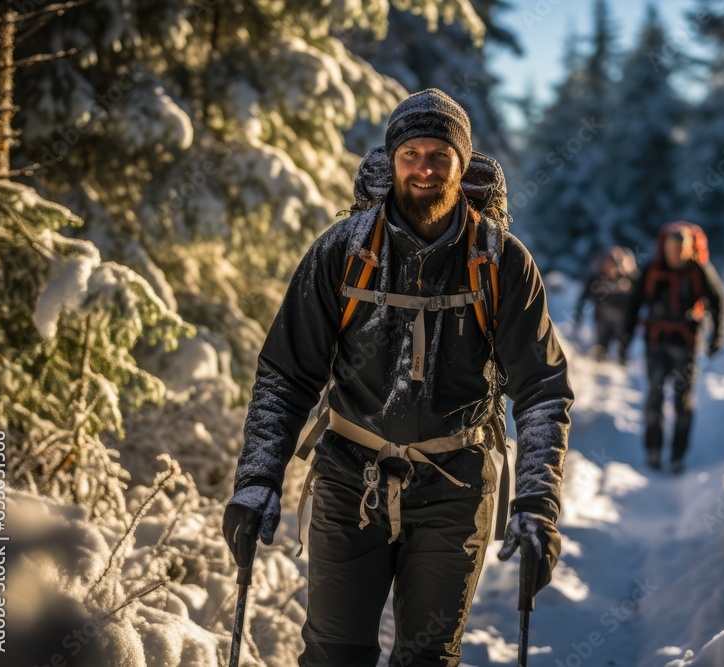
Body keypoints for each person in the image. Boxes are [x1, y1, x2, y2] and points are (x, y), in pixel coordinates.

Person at [221, 88, 574, 667]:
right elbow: (286, 374)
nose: (425, 169)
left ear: (462, 167)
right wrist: (258, 480)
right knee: (334, 654)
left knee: (428, 656)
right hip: (347, 481)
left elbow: (542, 390)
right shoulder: (342, 251)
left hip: (455, 489)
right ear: (392, 162)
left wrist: (536, 502)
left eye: (441, 156)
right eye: (412, 153)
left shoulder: (501, 260)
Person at [623, 222, 724, 475]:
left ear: (691, 249)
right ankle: (653, 451)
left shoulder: (699, 271)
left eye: (681, 248)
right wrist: (625, 339)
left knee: (683, 403)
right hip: (656, 342)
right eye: (672, 248)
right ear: (664, 248)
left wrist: (716, 338)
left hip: (687, 344)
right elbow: (633, 304)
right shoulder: (652, 270)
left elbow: (718, 302)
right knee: (655, 397)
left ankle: (677, 456)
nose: (676, 253)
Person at [572, 245, 638, 363]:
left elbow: (637, 300)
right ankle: (601, 361)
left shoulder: (627, 279)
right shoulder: (596, 278)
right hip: (602, 317)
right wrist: (578, 314)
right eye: (607, 264)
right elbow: (584, 297)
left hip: (621, 319)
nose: (609, 269)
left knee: (623, 340)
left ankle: (622, 359)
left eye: (612, 265)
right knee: (602, 341)